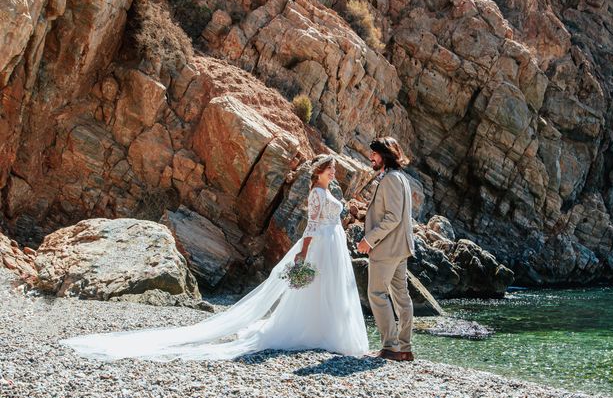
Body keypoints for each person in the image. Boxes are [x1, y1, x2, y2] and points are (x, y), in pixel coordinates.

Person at [59, 155, 369, 361]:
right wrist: (302, 253)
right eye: (329, 169)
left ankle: (325, 330)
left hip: (333, 244)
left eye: (333, 170)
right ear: (318, 172)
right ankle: (313, 330)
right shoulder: (316, 193)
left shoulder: (327, 192)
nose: (333, 172)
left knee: (329, 288)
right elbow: (312, 225)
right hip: (321, 244)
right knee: (316, 288)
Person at [357, 137, 415, 362]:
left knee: (377, 294)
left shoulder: (391, 179)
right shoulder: (402, 178)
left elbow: (392, 218)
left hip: (387, 249)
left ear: (386, 155)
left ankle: (390, 347)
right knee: (401, 297)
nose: (371, 157)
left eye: (374, 154)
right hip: (401, 248)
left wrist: (369, 240)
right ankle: (405, 348)